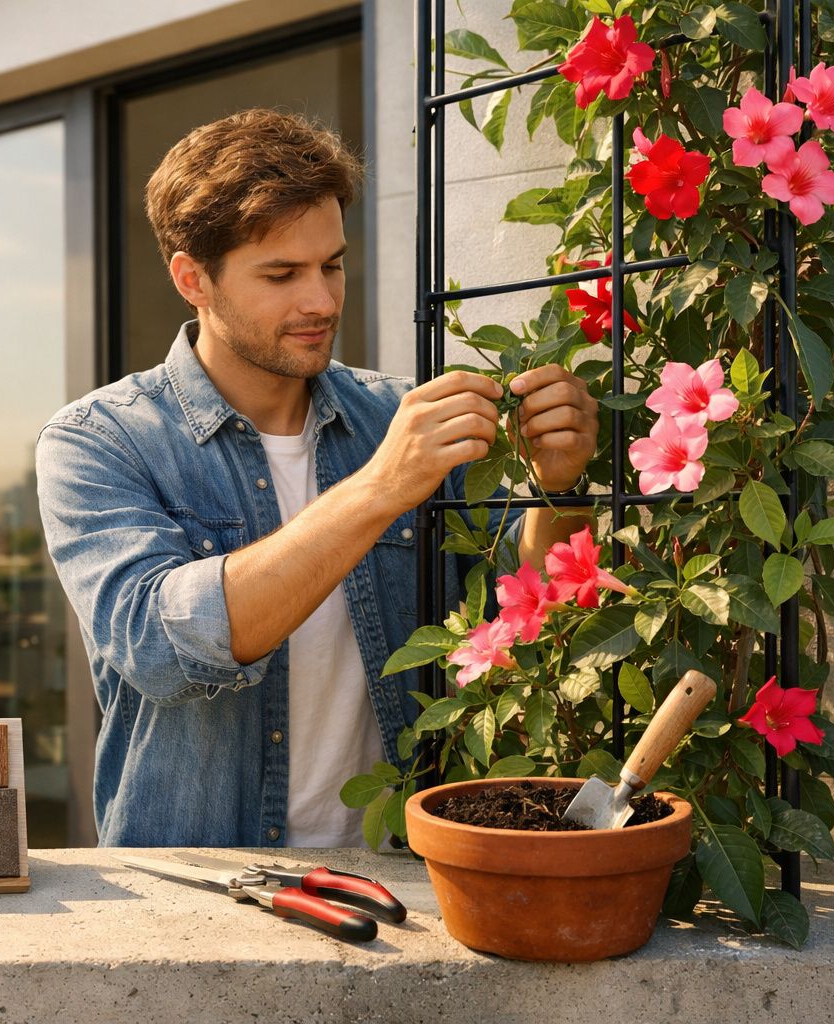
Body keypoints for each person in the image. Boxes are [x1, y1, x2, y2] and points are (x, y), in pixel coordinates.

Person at [36, 109, 599, 848]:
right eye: (283, 274)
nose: (323, 301)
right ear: (191, 279)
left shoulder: (398, 416)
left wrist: (560, 489)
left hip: (409, 872)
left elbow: (523, 613)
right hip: (201, 893)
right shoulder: (99, 441)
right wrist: (379, 489)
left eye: (331, 264)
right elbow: (159, 648)